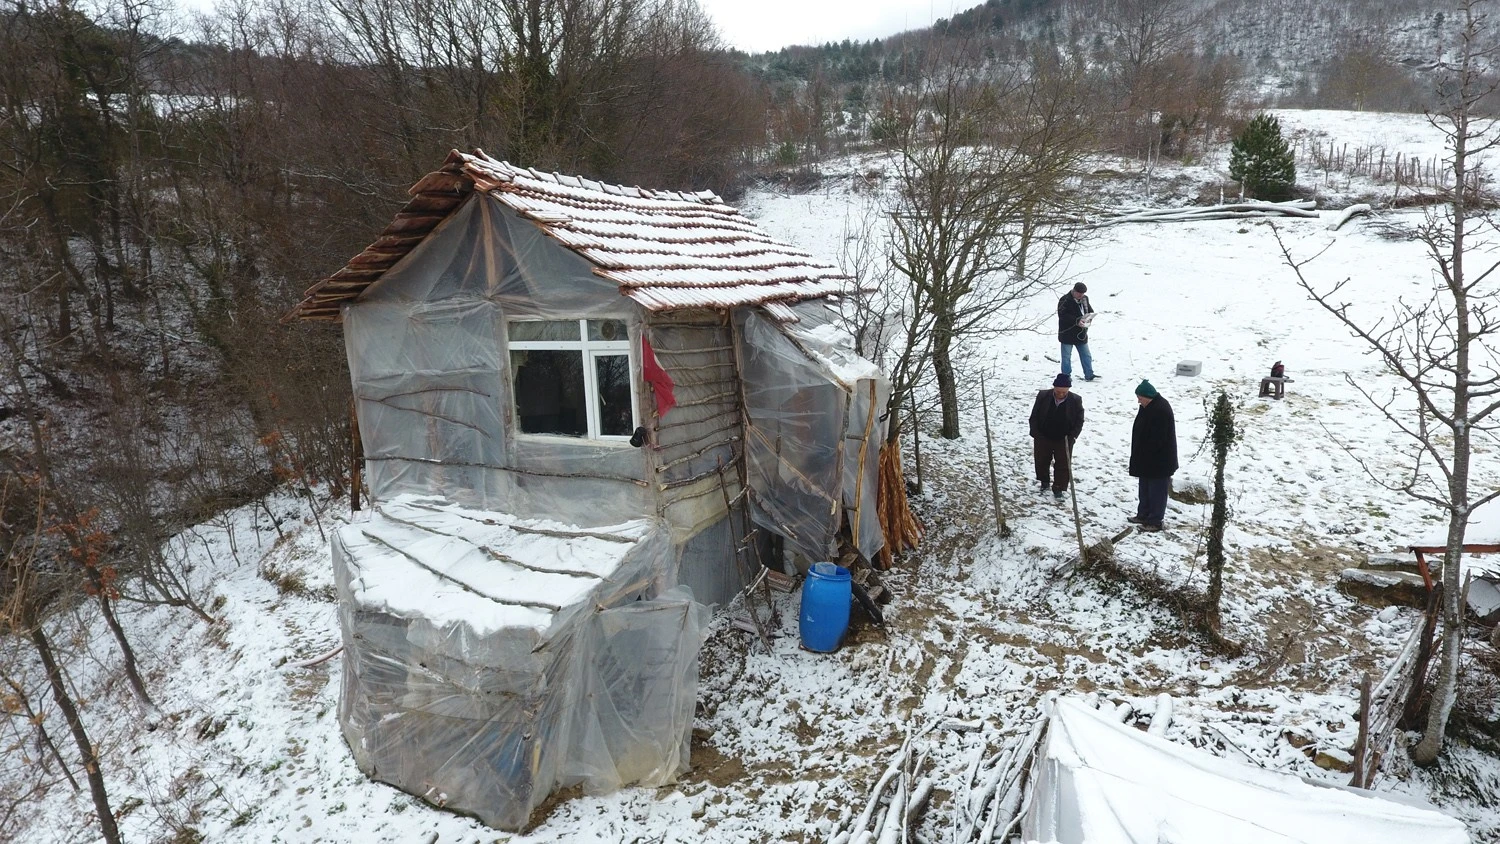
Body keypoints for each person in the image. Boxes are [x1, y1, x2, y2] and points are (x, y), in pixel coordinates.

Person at [1128, 380, 1177, 532]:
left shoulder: (1160, 410)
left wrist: (1145, 454)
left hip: (1159, 461)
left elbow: (1158, 439)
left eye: (1140, 398)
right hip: (1146, 459)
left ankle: (1155, 521)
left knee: (1157, 492)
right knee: (1145, 489)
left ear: (1148, 397)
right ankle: (1143, 514)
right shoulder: (1148, 407)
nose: (1138, 401)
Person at [1028, 373, 1085, 501]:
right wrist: (1036, 433)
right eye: (1058, 391)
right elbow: (1035, 415)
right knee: (1041, 460)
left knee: (1063, 464)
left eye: (1064, 392)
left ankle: (1059, 488)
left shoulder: (1075, 400)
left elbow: (1079, 420)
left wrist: (1073, 436)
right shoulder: (1043, 396)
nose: (1061, 394)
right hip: (1043, 435)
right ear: (1054, 388)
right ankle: (1044, 481)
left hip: (1064, 438)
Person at [1057, 282, 1097, 381]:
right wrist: (1076, 320)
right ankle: (1066, 376)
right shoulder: (1064, 300)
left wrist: (1089, 318)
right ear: (1074, 291)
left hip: (1081, 333)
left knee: (1086, 355)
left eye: (1083, 293)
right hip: (1067, 333)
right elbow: (1062, 315)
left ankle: (1089, 374)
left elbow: (1089, 310)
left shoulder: (1085, 299)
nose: (1081, 295)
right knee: (1066, 357)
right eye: (1079, 293)